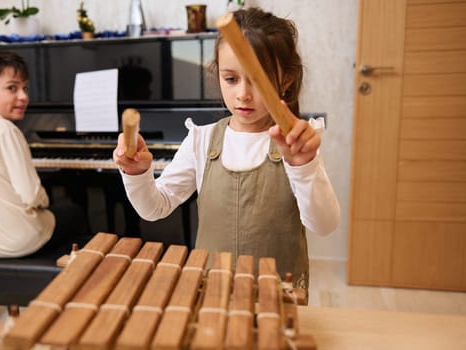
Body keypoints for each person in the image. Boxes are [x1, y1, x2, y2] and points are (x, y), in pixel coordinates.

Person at [113, 7, 340, 298]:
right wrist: (137, 174)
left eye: (257, 80)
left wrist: (304, 166)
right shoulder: (201, 140)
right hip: (211, 291)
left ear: (286, 81)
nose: (242, 94)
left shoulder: (298, 143)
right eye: (231, 79)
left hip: (279, 295)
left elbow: (324, 224)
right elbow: (154, 207)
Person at [0, 48, 91, 259]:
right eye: (12, 88)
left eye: (25, 88)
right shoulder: (5, 130)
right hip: (21, 242)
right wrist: (43, 203)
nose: (24, 96)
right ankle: (74, 276)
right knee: (73, 213)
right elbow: (31, 195)